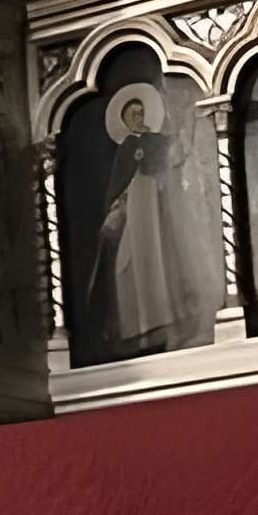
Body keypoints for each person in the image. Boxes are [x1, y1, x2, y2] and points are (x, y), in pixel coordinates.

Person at [87, 85, 194, 355]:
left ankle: (166, 322)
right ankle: (138, 328)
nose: (137, 118)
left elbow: (174, 160)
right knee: (129, 265)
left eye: (140, 112)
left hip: (156, 210)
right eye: (131, 115)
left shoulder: (160, 140)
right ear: (123, 121)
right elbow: (119, 186)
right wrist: (114, 213)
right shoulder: (127, 148)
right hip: (134, 213)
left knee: (161, 259)